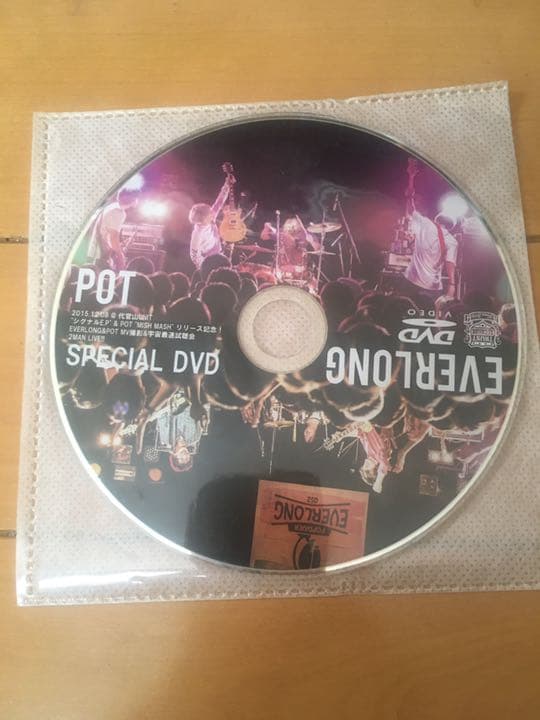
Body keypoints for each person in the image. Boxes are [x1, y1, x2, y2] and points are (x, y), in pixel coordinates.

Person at [398, 159, 458, 302]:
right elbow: (450, 264)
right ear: (451, 226)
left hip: (411, 281)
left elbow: (410, 207)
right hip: (432, 287)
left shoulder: (426, 224)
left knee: (402, 309)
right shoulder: (452, 241)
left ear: (438, 219)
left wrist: (411, 177)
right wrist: (452, 285)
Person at [87, 187, 139, 270]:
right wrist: (120, 256)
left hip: (95, 254)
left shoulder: (111, 207)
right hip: (101, 256)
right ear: (133, 199)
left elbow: (107, 234)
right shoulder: (118, 212)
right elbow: (113, 238)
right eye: (137, 197)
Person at [189, 176, 232, 269]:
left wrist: (227, 184)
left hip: (219, 257)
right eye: (210, 214)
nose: (213, 214)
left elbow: (219, 202)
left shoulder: (210, 220)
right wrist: (204, 267)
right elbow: (194, 255)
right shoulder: (197, 234)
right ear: (203, 218)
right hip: (208, 264)